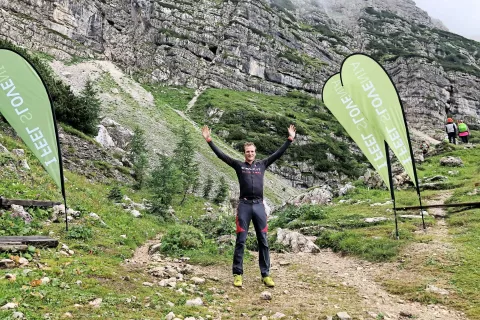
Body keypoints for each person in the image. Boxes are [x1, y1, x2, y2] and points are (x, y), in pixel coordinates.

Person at [202, 124, 296, 288]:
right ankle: (238, 274)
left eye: (252, 151)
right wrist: (209, 140)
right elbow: (221, 156)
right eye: (247, 151)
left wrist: (289, 139)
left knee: (264, 241)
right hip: (244, 206)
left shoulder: (262, 164)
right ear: (244, 153)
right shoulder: (239, 166)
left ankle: (265, 275)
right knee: (241, 241)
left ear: (255, 152)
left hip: (259, 206)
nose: (250, 154)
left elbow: (278, 154)